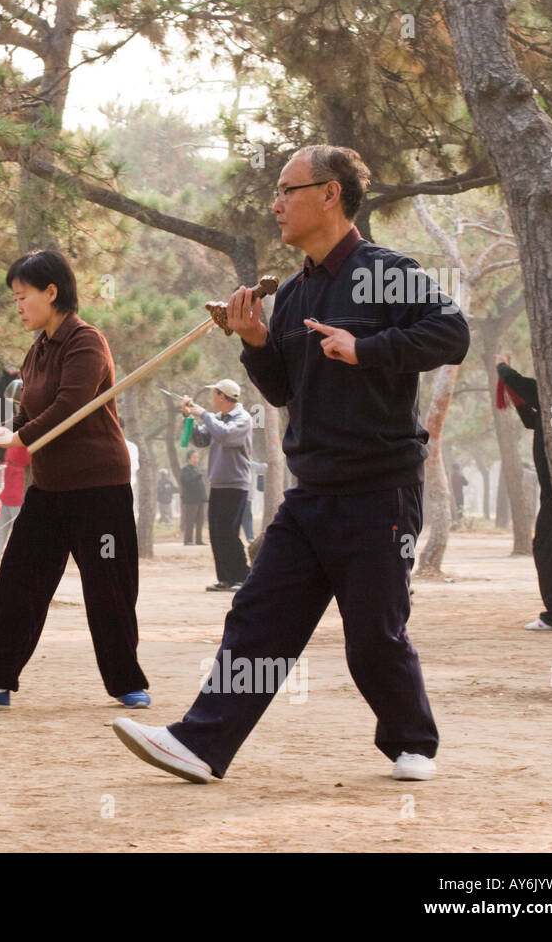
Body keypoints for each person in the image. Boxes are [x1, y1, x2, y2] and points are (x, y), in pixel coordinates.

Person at [113, 144, 469, 783]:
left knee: (374, 637)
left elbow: (453, 334)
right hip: (311, 493)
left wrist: (367, 348)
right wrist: (254, 341)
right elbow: (284, 391)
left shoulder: (386, 272)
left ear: (330, 194)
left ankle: (413, 740)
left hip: (379, 490)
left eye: (287, 189)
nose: (274, 203)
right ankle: (201, 744)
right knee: (257, 619)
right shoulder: (297, 290)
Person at [0, 249, 150, 710]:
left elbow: (68, 410)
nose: (17, 306)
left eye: (23, 296)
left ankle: (127, 683)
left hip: (99, 486)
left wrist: (15, 436)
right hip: (50, 488)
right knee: (19, 580)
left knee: (107, 586)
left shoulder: (85, 341)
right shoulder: (36, 350)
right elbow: (27, 417)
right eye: (13, 298)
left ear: (52, 292)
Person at [497, 356, 552, 632]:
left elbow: (525, 386)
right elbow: (532, 420)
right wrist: (515, 397)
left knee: (547, 548)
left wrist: (502, 368)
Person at [184, 378, 253, 590]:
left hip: (235, 484)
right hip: (217, 483)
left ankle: (242, 577)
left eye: (214, 394)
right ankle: (225, 578)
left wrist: (203, 414)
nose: (212, 398)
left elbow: (225, 435)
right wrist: (189, 417)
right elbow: (201, 440)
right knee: (216, 532)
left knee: (229, 531)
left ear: (222, 396)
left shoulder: (243, 419)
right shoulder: (217, 418)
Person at [180, 450, 207, 545]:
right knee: (190, 520)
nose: (197, 459)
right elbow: (186, 481)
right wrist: (198, 475)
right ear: (189, 459)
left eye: (197, 457)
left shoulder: (197, 469)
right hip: (191, 500)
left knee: (200, 520)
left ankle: (199, 540)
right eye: (194, 457)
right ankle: (188, 540)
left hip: (200, 499)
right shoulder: (186, 469)